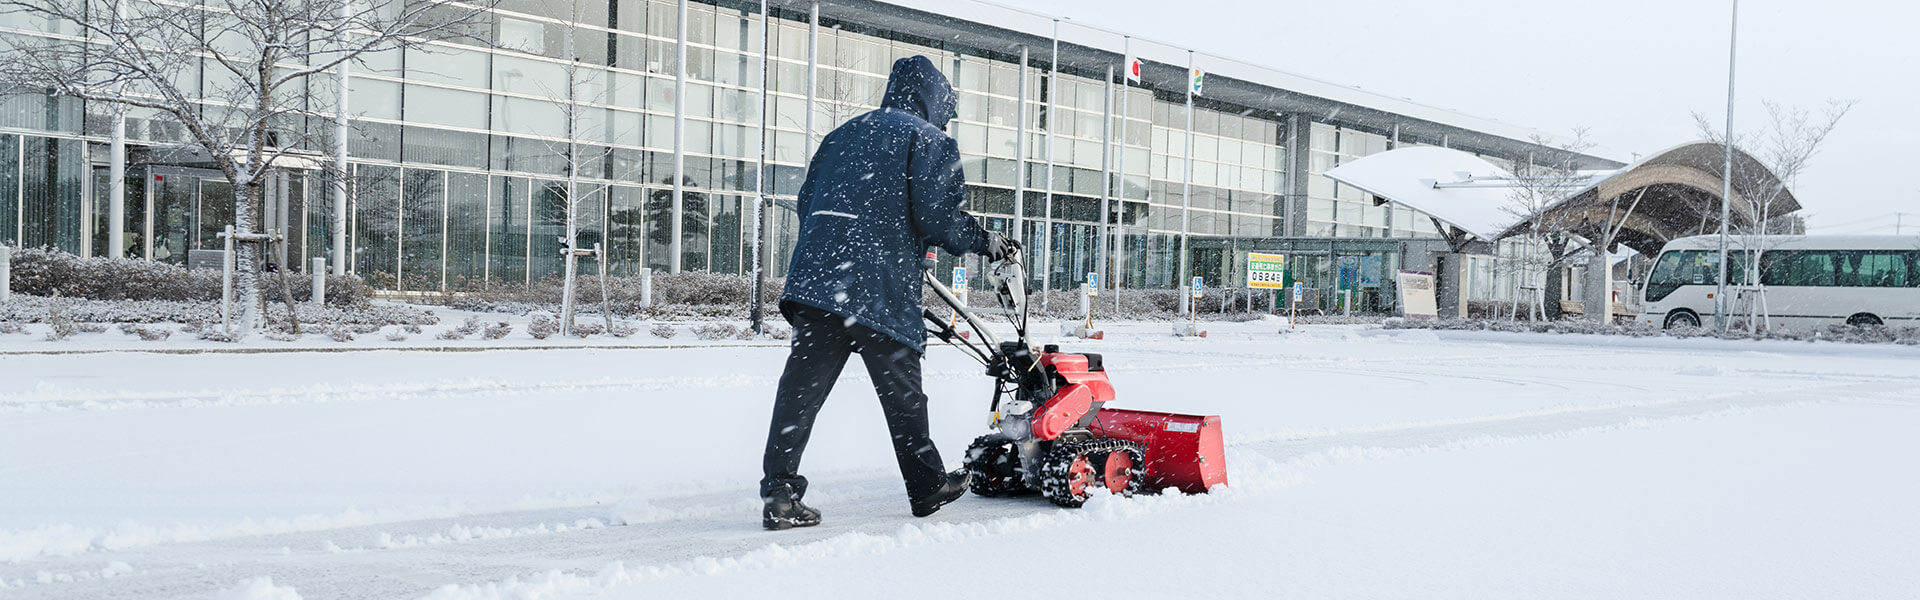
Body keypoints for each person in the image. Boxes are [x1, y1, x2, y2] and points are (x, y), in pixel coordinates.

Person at [760, 55, 1020, 530]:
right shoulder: (928, 139)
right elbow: (939, 218)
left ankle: (780, 493)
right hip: (877, 289)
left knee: (799, 393)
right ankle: (927, 486)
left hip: (818, 285)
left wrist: (846, 245)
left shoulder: (840, 136)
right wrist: (985, 241)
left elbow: (807, 202)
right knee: (904, 397)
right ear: (935, 101)